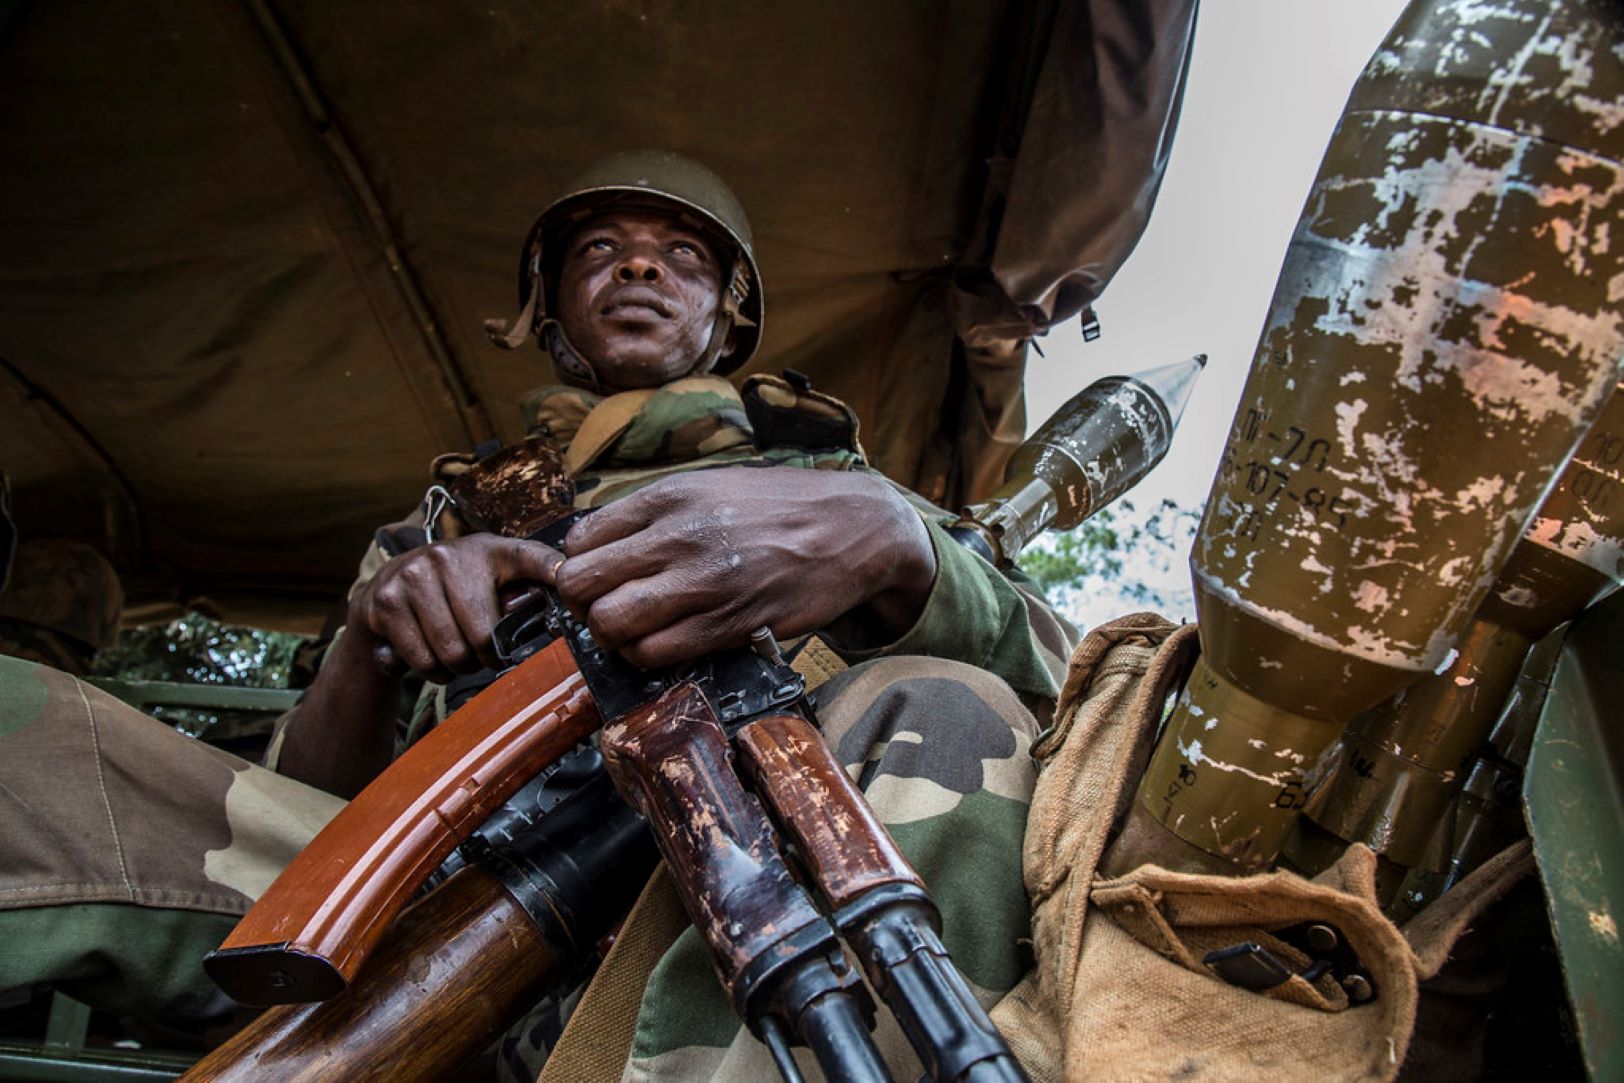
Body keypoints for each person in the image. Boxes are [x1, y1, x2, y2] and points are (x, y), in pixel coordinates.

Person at [0, 150, 1076, 1078]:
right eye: (601, 249)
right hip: (419, 892)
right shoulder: (452, 517)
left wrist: (895, 545)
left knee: (947, 705)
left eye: (683, 255)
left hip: (752, 890)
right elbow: (311, 791)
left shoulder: (833, 487)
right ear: (549, 309)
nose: (641, 267)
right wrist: (372, 644)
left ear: (727, 316)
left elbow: (1059, 686)